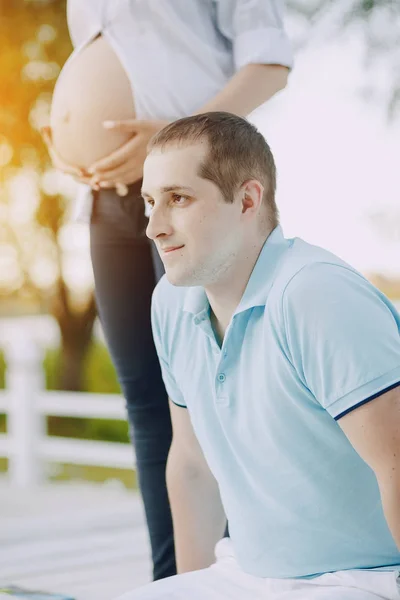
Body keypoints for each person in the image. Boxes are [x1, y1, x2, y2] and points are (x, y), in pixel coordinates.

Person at [41, 1, 294, 581]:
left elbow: (270, 61)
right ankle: (176, 586)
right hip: (108, 196)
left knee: (227, 394)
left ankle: (248, 580)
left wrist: (178, 139)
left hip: (196, 191)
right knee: (148, 406)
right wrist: (68, 129)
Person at [115, 111, 400, 599]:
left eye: (178, 199)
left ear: (248, 199)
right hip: (246, 570)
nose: (154, 228)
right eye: (149, 202)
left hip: (363, 579)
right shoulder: (172, 302)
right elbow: (192, 464)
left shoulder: (314, 294)